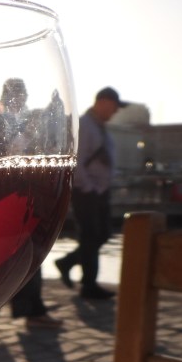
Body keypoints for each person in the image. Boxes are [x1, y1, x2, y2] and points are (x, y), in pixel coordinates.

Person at [0, 78, 61, 330]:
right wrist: (29, 133)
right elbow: (3, 154)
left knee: (27, 253)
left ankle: (27, 310)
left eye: (23, 93)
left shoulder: (28, 122)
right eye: (16, 94)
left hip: (29, 196)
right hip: (6, 197)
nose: (21, 98)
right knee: (11, 255)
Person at [55, 86, 127, 300]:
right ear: (103, 102)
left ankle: (67, 262)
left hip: (99, 192)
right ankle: (89, 284)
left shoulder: (99, 127)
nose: (115, 112)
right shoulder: (86, 126)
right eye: (114, 107)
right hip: (88, 192)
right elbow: (76, 160)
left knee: (101, 234)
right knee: (91, 236)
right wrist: (89, 188)